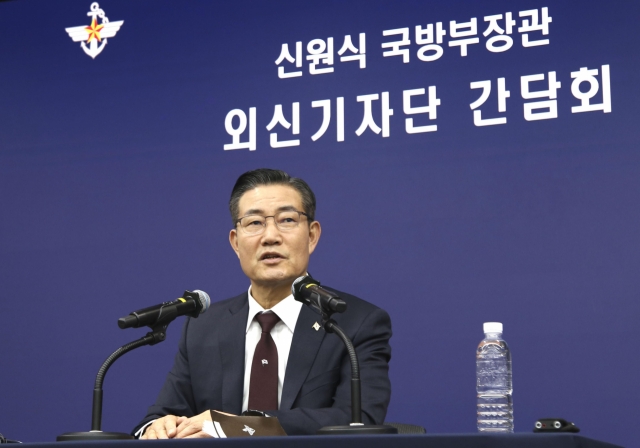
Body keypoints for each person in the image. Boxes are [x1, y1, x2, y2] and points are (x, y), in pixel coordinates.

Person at [134, 168, 392, 438]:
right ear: (235, 242)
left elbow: (357, 420)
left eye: (287, 220)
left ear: (312, 235)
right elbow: (160, 414)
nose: (271, 236)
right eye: (255, 223)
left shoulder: (354, 323)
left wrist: (232, 426)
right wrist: (158, 428)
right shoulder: (203, 327)